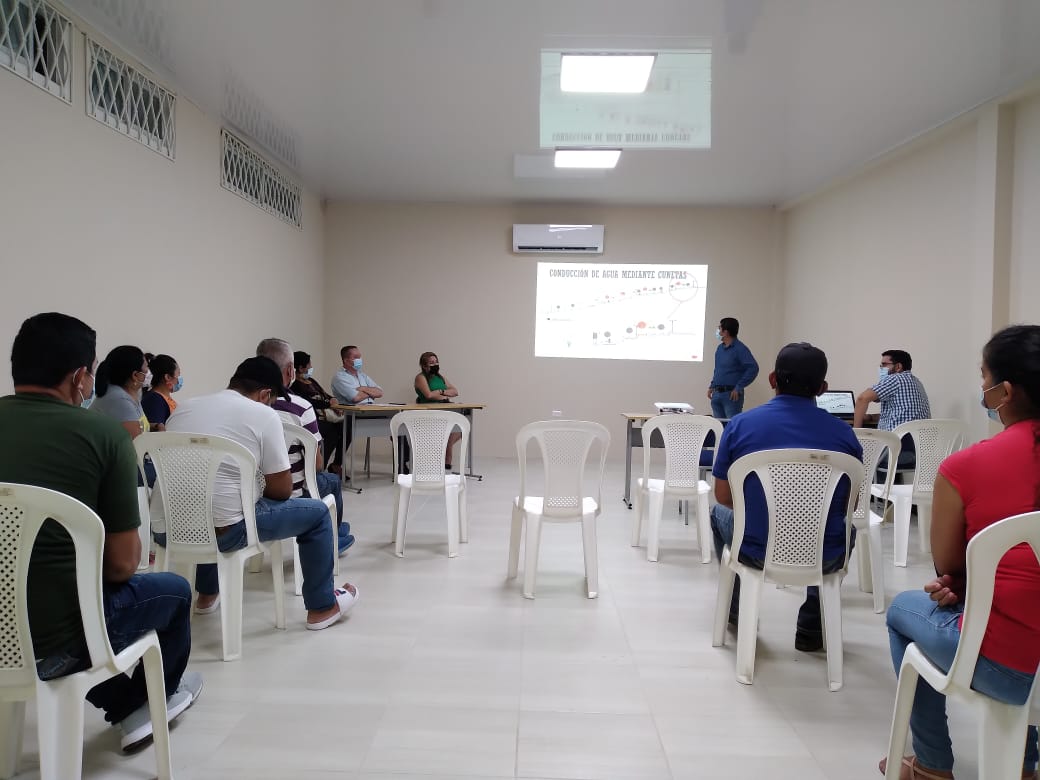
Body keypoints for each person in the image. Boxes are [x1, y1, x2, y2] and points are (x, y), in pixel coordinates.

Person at [0, 313, 201, 752]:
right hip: (56, 636)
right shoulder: (103, 435)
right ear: (79, 377)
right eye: (90, 372)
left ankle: (129, 704)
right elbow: (122, 566)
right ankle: (149, 703)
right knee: (173, 592)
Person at [881, 325, 1040, 780]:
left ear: (1004, 392)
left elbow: (951, 568)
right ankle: (1022, 763)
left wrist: (962, 584)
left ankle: (932, 765)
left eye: (983, 377)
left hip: (1010, 667)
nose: (982, 388)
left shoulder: (965, 467)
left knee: (903, 610)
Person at [165, 356, 359, 629]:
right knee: (318, 514)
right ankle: (322, 608)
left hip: (171, 529)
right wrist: (254, 480)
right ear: (266, 394)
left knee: (212, 499)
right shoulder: (263, 414)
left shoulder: (184, 408)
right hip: (228, 532)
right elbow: (282, 490)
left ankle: (207, 594)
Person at [710, 342, 863, 651]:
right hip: (824, 554)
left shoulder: (740, 425)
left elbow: (723, 496)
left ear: (772, 379)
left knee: (716, 514)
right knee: (848, 528)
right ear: (822, 388)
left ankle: (737, 612)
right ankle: (812, 627)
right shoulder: (844, 434)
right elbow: (851, 505)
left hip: (755, 549)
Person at [256, 338, 353, 556]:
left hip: (252, 492)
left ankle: (336, 529)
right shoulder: (300, 407)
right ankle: (333, 537)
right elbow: (316, 464)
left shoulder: (247, 405)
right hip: (292, 491)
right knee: (331, 480)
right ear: (290, 370)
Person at [853, 349, 931, 470]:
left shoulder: (895, 379)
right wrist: (872, 417)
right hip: (917, 454)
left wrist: (855, 434)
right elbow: (902, 412)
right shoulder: (917, 382)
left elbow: (862, 399)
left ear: (898, 366)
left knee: (857, 455)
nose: (881, 368)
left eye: (884, 365)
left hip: (896, 452)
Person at [290, 349, 344, 475]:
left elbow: (324, 395)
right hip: (313, 418)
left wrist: (333, 400)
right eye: (309, 364)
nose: (311, 367)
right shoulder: (295, 385)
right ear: (301, 368)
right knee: (333, 433)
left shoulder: (311, 381)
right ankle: (318, 469)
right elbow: (308, 402)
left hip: (324, 416)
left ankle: (336, 464)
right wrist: (329, 404)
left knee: (345, 429)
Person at [90, 345, 151, 439]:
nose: (149, 373)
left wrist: (154, 426)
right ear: (135, 375)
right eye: (147, 368)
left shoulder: (130, 394)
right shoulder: (119, 399)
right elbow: (137, 442)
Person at [414, 351, 462, 470]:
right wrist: (444, 394)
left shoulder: (440, 377)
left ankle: (445, 456)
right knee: (449, 431)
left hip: (445, 408)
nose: (435, 365)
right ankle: (446, 460)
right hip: (429, 411)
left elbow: (455, 391)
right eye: (431, 363)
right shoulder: (420, 377)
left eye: (436, 362)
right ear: (424, 365)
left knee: (461, 427)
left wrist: (440, 392)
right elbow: (429, 395)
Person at [706, 317, 759, 419]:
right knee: (719, 426)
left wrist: (739, 387)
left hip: (731, 396)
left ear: (725, 332)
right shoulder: (720, 348)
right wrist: (712, 386)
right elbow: (718, 370)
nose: (718, 331)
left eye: (719, 328)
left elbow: (753, 368)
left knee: (732, 425)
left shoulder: (740, 349)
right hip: (716, 394)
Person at [142, 353, 182, 431]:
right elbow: (156, 433)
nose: (179, 379)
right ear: (168, 377)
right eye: (178, 374)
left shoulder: (163, 398)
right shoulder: (154, 400)